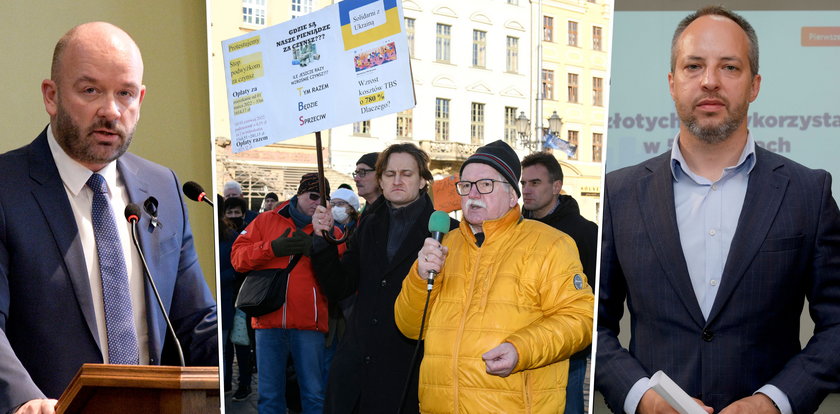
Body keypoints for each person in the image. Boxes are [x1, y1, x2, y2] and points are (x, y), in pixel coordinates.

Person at [595, 7, 840, 414]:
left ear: (754, 85)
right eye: (694, 66)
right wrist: (643, 398)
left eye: (729, 67)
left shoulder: (808, 192)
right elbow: (591, 324)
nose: (710, 81)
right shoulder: (619, 193)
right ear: (672, 83)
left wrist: (774, 402)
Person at [0, 22, 217, 413]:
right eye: (90, 91)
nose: (111, 111)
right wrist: (23, 400)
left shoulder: (163, 188)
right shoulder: (6, 187)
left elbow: (195, 320)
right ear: (51, 96)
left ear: (141, 98)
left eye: (126, 93)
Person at [394, 140, 594, 412]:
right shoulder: (443, 245)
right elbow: (408, 327)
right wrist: (420, 278)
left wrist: (521, 349)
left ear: (513, 195)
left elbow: (581, 319)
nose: (473, 194)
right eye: (466, 186)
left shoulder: (551, 245)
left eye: (485, 185)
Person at [311, 143, 456, 414]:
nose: (397, 180)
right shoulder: (369, 223)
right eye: (389, 174)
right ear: (381, 180)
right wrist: (323, 242)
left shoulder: (446, 231)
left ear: (424, 180)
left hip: (406, 368)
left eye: (406, 174)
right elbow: (341, 285)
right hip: (356, 368)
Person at [231, 173, 343, 414]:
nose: (318, 203)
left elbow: (341, 269)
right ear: (299, 194)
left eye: (325, 199)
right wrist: (271, 248)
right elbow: (237, 259)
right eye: (313, 196)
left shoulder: (330, 228)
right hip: (268, 320)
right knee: (269, 397)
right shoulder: (265, 221)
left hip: (309, 324)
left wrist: (321, 246)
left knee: (313, 396)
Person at [521, 151, 598, 414]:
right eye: (523, 183)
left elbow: (593, 294)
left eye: (535, 183)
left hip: (567, 350)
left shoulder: (584, 232)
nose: (526, 190)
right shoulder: (515, 228)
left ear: (556, 187)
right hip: (520, 342)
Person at [219, 197, 254, 402]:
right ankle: (225, 384)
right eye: (229, 212)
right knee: (225, 348)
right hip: (224, 300)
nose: (233, 216)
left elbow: (239, 265)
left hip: (238, 298)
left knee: (241, 344)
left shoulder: (232, 235)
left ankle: (244, 384)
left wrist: (221, 277)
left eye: (236, 212)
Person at [352, 152, 383, 221]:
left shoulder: (391, 214)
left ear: (380, 174)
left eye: (362, 172)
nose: (356, 179)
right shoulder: (364, 214)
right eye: (356, 173)